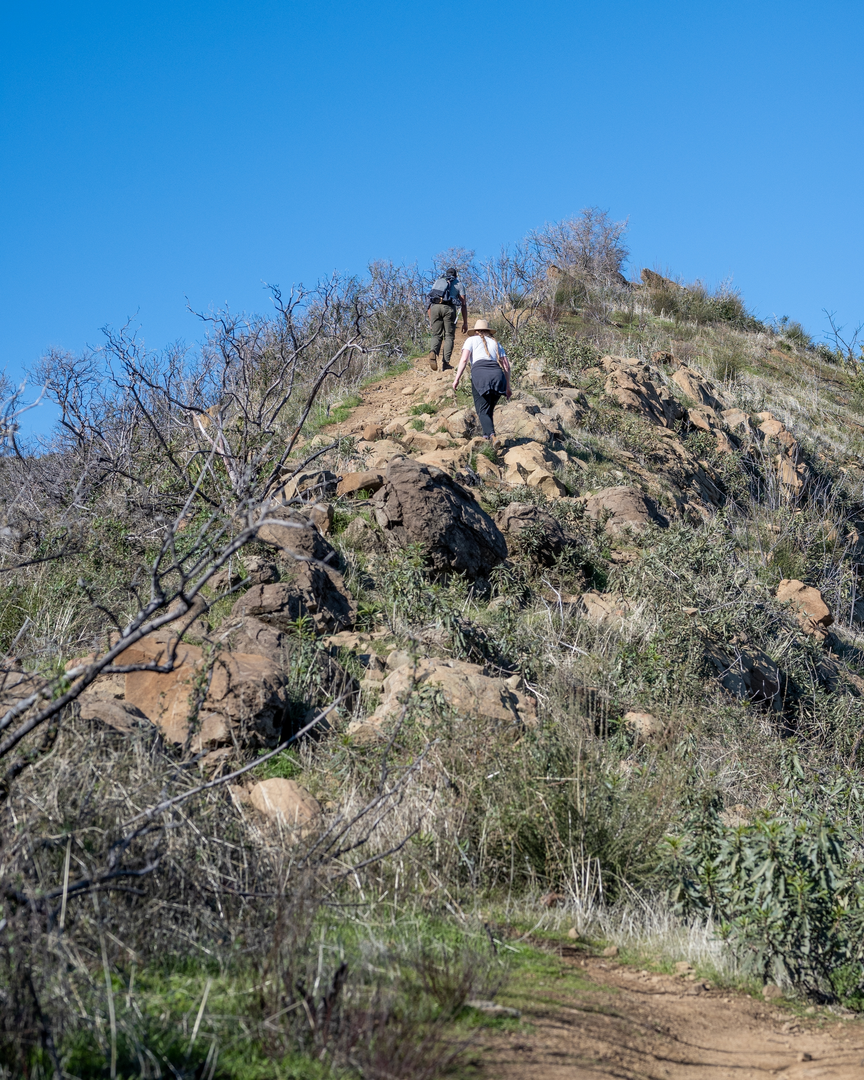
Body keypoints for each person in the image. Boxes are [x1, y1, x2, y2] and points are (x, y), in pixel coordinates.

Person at [452, 319, 511, 441]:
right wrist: (508, 386)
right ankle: (486, 437)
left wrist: (456, 379)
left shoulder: (471, 340)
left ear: (476, 331)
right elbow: (506, 366)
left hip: (480, 376)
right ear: (489, 331)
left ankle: (493, 436)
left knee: (482, 410)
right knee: (488, 410)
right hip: (498, 377)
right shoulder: (496, 343)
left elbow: (464, 360)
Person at [426, 267, 468, 371]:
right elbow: (463, 304)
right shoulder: (458, 284)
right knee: (449, 336)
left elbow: (429, 302)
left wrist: (431, 320)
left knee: (436, 335)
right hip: (448, 308)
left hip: (435, 308)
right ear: (456, 275)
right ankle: (445, 363)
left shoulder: (438, 282)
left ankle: (433, 352)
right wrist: (465, 322)